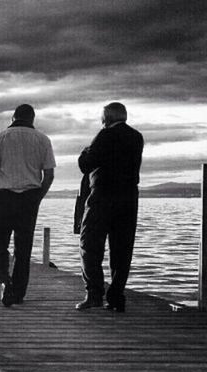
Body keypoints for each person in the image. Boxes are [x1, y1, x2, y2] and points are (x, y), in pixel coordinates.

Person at [0, 103, 55, 306]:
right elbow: (49, 175)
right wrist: (38, 197)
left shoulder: (0, 137)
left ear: (13, 117)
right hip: (30, 198)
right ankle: (19, 293)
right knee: (23, 249)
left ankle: (4, 282)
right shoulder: (42, 139)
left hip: (4, 196)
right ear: (32, 119)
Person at [76, 102, 144, 313]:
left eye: (102, 117)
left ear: (108, 117)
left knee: (89, 245)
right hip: (129, 197)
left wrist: (84, 151)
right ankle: (116, 297)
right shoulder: (136, 137)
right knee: (122, 249)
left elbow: (85, 165)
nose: (101, 121)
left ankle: (94, 293)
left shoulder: (105, 136)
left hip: (103, 196)